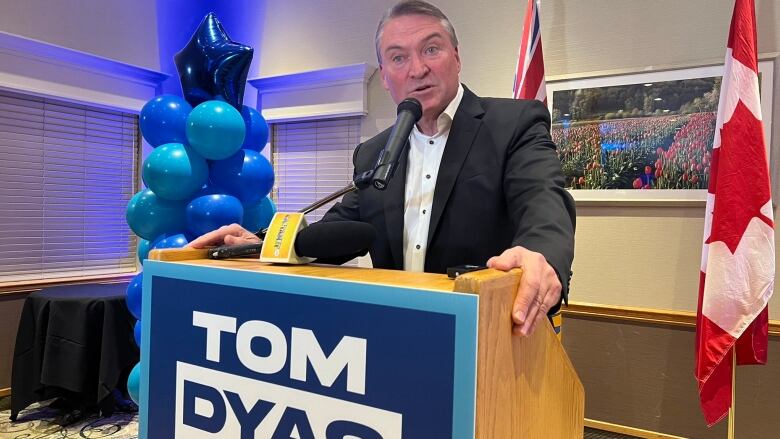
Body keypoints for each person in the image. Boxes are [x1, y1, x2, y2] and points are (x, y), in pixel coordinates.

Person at [189, 0, 576, 337]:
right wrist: (257, 243)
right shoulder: (374, 153)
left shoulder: (513, 123)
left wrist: (540, 255)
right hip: (396, 342)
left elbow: (544, 200)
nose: (417, 69)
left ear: (457, 57)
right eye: (398, 57)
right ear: (386, 77)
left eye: (432, 49)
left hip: (491, 342)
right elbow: (332, 234)